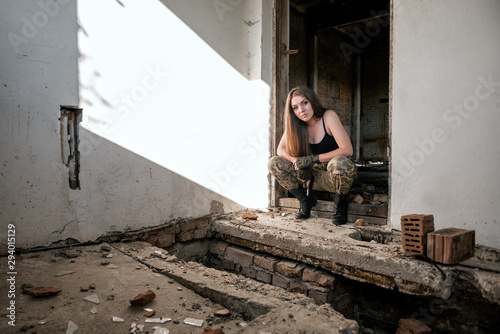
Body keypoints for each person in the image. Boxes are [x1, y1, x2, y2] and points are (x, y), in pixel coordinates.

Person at [268, 86, 357, 225]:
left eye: (304, 103)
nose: (301, 110)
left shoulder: (328, 116)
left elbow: (347, 150)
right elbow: (280, 149)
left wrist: (311, 159)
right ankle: (305, 200)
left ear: (312, 101)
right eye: (295, 107)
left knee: (341, 163)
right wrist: (298, 162)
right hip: (310, 179)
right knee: (274, 162)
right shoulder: (296, 124)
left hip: (332, 177)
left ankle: (341, 204)